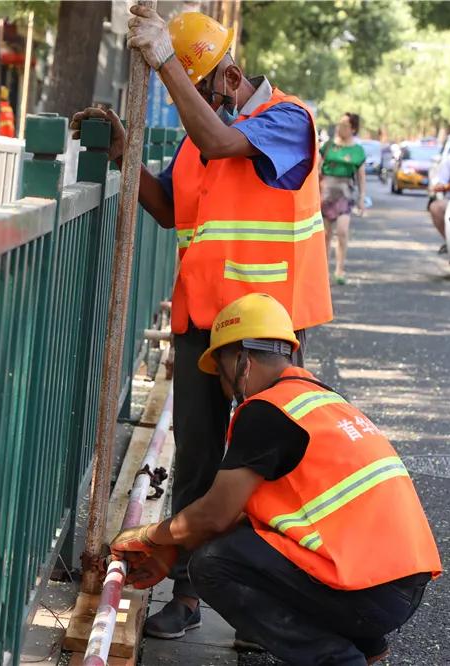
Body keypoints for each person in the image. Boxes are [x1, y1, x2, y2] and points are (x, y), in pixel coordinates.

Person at [69, 7, 332, 640]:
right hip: (202, 321)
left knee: (268, 461)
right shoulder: (197, 135)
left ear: (232, 77)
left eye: (201, 87)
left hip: (267, 331)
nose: (196, 103)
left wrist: (163, 59)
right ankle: (189, 594)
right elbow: (168, 209)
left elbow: (219, 142)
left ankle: (268, 596)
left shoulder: (288, 120)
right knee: (197, 456)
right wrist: (127, 157)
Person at [110, 293, 442, 665]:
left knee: (213, 565)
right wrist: (172, 545)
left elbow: (213, 516)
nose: (222, 386)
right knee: (249, 545)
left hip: (369, 594)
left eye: (220, 371)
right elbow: (241, 514)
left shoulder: (267, 411)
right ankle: (367, 646)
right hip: (397, 587)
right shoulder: (321, 401)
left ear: (242, 362)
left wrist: (148, 536)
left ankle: (338, 660)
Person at [318, 113, 366, 284]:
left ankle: (340, 269)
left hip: (345, 194)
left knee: (343, 231)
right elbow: (317, 168)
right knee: (325, 234)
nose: (341, 128)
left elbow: (361, 176)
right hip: (326, 193)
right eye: (340, 124)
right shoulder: (328, 146)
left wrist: (361, 197)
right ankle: (323, 270)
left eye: (345, 125)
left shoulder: (357, 151)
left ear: (353, 128)